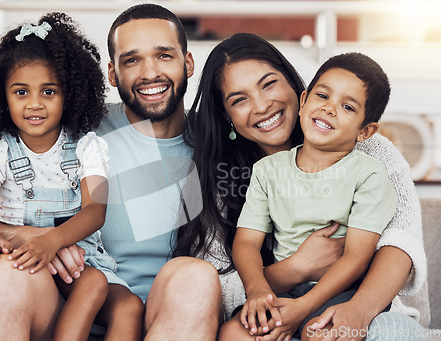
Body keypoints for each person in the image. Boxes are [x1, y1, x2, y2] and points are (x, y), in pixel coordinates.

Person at [0, 4, 222, 340]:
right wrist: (44, 240)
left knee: (196, 277)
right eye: (132, 60)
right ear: (112, 73)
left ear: (188, 62)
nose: (149, 72)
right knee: (7, 271)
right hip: (66, 310)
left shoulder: (217, 147)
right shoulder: (76, 130)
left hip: (166, 318)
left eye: (164, 55)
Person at [177, 33, 427, 341]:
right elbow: (220, 287)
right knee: (233, 333)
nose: (262, 105)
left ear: (296, 88)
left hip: (356, 299)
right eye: (239, 99)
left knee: (320, 333)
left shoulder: (369, 157)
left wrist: (357, 310)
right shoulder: (252, 173)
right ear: (226, 116)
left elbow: (399, 243)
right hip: (278, 300)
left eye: (269, 84)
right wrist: (298, 268)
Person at [0, 12, 146, 341]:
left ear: (68, 94)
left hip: (75, 252)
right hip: (23, 256)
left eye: (48, 92)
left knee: (117, 297)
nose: (34, 104)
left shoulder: (88, 147)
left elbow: (94, 211)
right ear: (2, 95)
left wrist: (53, 241)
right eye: (21, 92)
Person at [232, 52, 397, 341]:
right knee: (233, 333)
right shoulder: (267, 170)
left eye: (347, 106)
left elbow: (357, 257)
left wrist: (303, 307)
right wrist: (257, 289)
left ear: (365, 131)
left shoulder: (369, 175)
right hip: (282, 290)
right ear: (304, 101)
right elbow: (246, 241)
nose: (329, 109)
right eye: (323, 96)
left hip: (344, 291)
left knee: (316, 334)